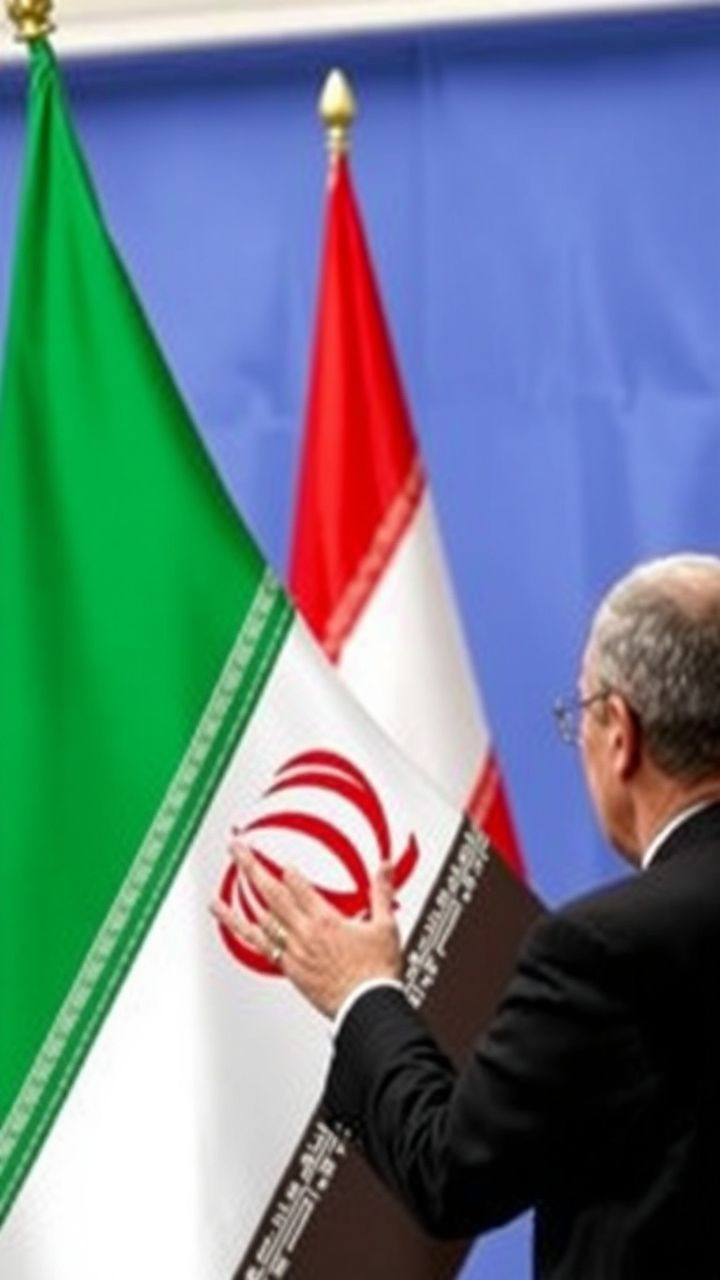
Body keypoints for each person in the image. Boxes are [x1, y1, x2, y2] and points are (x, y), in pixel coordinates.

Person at [216, 552, 720, 1279]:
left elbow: (451, 1171)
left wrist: (361, 992)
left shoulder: (605, 951)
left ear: (619, 731)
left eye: (582, 713)